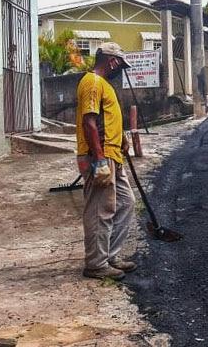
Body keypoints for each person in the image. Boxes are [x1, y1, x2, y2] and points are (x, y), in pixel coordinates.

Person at [75, 42, 137, 280]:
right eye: (120, 64)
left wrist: (121, 138)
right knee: (100, 210)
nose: (120, 69)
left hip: (113, 155)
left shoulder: (104, 85)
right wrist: (99, 159)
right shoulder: (92, 82)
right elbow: (89, 122)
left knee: (125, 202)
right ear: (113, 61)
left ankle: (110, 255)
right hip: (98, 157)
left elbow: (106, 119)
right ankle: (96, 264)